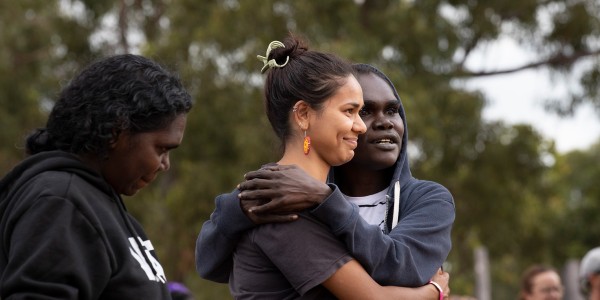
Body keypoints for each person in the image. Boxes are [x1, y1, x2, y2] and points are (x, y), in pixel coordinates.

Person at [200, 34, 449, 299]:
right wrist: (434, 292)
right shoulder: (281, 205)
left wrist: (324, 198)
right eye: (352, 111)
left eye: (392, 110)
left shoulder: (426, 199)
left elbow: (398, 266)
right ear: (303, 114)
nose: (363, 126)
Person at [0, 54, 193, 299]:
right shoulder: (62, 202)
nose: (165, 164)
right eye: (161, 149)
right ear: (116, 132)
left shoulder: (102, 207)